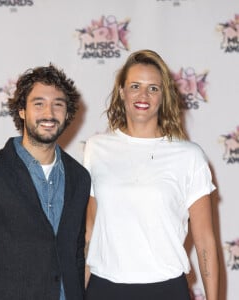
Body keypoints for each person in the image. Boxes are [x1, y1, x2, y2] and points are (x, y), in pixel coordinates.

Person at [83, 49, 219, 300]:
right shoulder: (96, 148)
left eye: (153, 88)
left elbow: (205, 241)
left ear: (163, 96)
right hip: (104, 288)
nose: (143, 95)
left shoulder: (189, 156)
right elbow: (91, 229)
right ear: (122, 91)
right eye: (135, 86)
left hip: (166, 289)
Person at [0, 64, 91, 300]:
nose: (49, 113)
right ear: (22, 110)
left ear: (67, 113)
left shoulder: (79, 177)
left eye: (58, 104)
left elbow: (75, 253)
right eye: (39, 103)